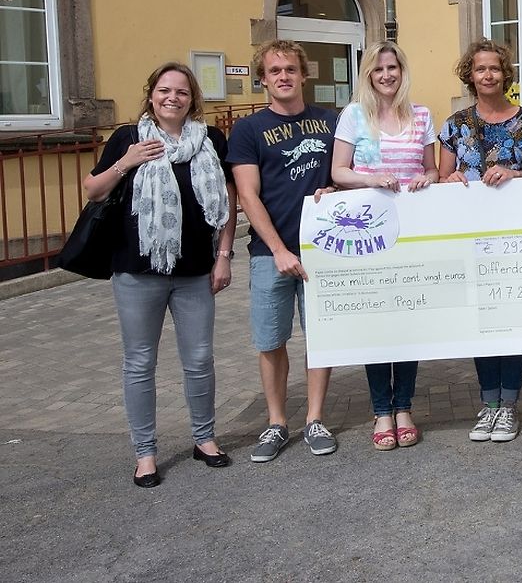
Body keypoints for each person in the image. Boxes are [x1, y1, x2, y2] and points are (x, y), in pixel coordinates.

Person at [83, 62, 237, 487]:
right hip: (137, 271)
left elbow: (227, 200)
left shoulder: (210, 139)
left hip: (195, 270)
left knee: (200, 359)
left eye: (182, 92)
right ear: (151, 94)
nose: (173, 98)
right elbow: (93, 189)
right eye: (165, 90)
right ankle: (145, 453)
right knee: (139, 362)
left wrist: (224, 255)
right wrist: (126, 162)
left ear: (192, 99)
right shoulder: (128, 138)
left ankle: (204, 439)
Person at [229, 40, 338, 463]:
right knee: (271, 340)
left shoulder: (330, 122)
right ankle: (276, 422)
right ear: (263, 79)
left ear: (303, 74)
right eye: (274, 71)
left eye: (290, 69)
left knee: (321, 337)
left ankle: (315, 418)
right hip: (269, 253)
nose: (283, 77)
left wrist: (336, 187)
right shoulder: (249, 130)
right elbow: (247, 194)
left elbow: (342, 173)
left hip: (322, 249)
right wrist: (277, 249)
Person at [331, 41, 438, 451]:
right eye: (378, 69)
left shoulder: (421, 115)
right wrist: (371, 179)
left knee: (406, 323)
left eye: (392, 67)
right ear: (368, 75)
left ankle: (404, 407)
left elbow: (430, 169)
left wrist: (428, 178)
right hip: (368, 235)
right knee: (376, 324)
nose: (386, 75)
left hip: (412, 235)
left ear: (402, 71)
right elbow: (339, 171)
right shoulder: (353, 115)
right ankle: (381, 411)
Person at [439, 40, 522, 443]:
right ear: (470, 75)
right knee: (481, 319)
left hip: (515, 238)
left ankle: (510, 405)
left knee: (513, 318)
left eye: (495, 68)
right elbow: (441, 177)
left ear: (506, 74)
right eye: (480, 69)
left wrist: (515, 175)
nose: (488, 75)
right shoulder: (455, 125)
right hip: (471, 237)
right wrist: (449, 179)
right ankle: (488, 404)